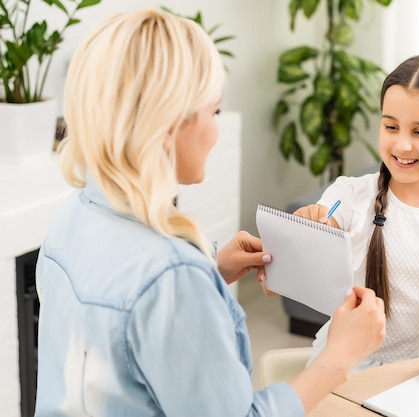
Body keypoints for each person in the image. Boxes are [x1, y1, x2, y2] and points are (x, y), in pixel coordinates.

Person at [34, 9, 385, 417]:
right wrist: (338, 359)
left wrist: (209, 268)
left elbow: (120, 343)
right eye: (214, 111)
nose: (217, 130)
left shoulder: (71, 217)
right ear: (168, 126)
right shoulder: (173, 279)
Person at [295, 55, 419, 383]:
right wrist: (311, 226)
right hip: (346, 374)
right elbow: (315, 238)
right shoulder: (347, 197)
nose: (402, 144)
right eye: (391, 126)